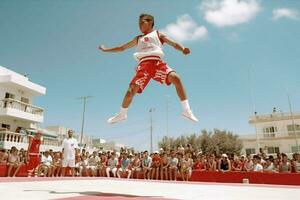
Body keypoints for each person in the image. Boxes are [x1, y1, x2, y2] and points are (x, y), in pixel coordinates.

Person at [99, 13, 198, 124]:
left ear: (150, 22)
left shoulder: (158, 34)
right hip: (144, 66)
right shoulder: (138, 39)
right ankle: (122, 114)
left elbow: (174, 43)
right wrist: (106, 50)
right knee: (130, 92)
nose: (140, 25)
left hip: (157, 64)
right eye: (138, 24)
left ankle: (186, 111)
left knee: (176, 78)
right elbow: (121, 48)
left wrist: (183, 49)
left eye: (142, 22)